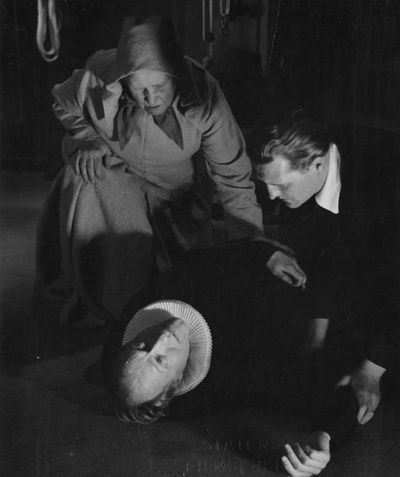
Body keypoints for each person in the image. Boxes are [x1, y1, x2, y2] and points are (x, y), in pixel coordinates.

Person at [36, 15, 305, 326]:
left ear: (175, 72)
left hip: (176, 192)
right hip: (117, 172)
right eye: (139, 89)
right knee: (88, 179)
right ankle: (105, 301)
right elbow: (62, 103)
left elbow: (233, 176)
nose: (151, 99)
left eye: (159, 86)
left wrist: (256, 247)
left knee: (181, 285)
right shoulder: (99, 74)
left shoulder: (205, 94)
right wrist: (89, 139)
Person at [101, 242, 361, 477]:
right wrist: (326, 436)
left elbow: (193, 259)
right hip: (322, 284)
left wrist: (263, 254)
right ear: (178, 380)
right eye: (160, 360)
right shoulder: (238, 377)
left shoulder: (141, 309)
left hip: (273, 249)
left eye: (141, 345)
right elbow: (333, 392)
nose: (162, 338)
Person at [249, 109, 399, 427]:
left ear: (318, 166)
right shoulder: (309, 168)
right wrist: (317, 333)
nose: (272, 196)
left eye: (281, 185)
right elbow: (328, 254)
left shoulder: (385, 182)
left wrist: (372, 370)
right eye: (267, 184)